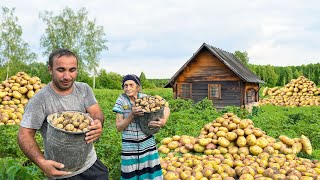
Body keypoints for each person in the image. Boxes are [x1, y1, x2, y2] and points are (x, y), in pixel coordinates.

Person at [17, 49, 109, 179]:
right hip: (61, 171)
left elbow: (96, 112)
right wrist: (42, 162)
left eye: (72, 70)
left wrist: (98, 122)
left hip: (91, 163)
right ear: (50, 69)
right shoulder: (40, 100)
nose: (67, 76)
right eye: (61, 70)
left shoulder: (84, 89)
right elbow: (24, 134)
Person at [112, 74, 170, 180]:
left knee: (150, 175)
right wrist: (132, 115)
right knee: (130, 176)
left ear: (138, 87)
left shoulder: (146, 98)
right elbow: (119, 127)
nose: (128, 88)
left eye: (131, 85)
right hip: (130, 148)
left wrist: (163, 121)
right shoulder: (121, 101)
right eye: (125, 85)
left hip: (148, 145)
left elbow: (165, 105)